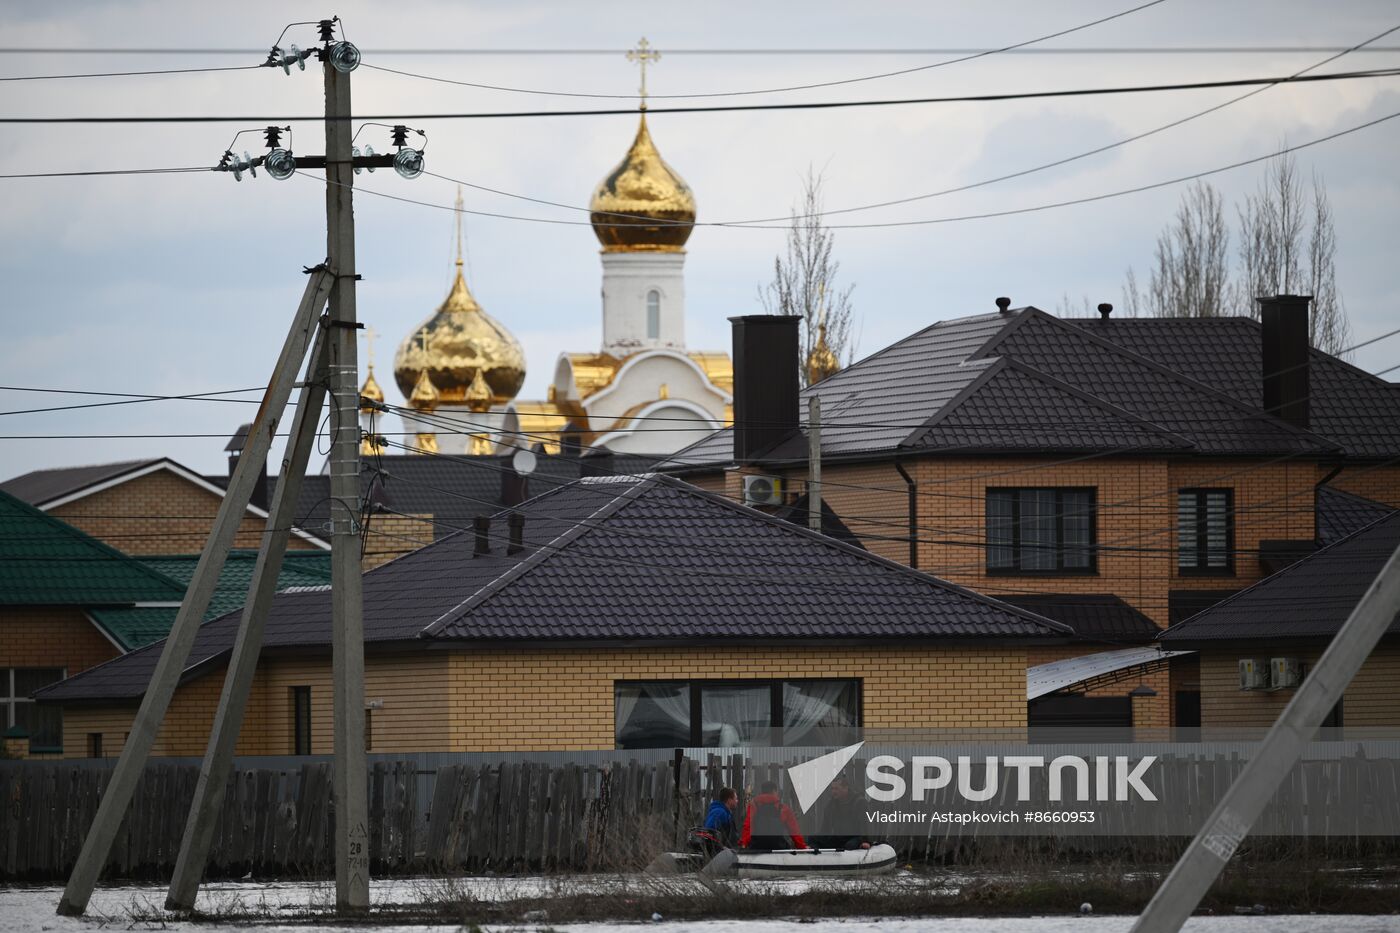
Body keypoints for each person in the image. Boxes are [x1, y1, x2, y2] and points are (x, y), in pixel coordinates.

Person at [808, 774, 871, 851]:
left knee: (849, 846)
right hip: (839, 837)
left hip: (855, 837)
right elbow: (825, 828)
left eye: (836, 789)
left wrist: (865, 841)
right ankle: (817, 857)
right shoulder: (831, 804)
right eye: (832, 789)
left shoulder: (859, 802)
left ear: (845, 788)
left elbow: (866, 824)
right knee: (812, 838)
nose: (833, 791)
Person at [740, 781, 807, 850]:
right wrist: (802, 847)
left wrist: (743, 844)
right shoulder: (783, 808)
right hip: (778, 848)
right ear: (774, 791)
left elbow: (747, 826)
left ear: (762, 791)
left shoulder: (754, 806)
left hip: (757, 847)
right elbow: (794, 832)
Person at [693, 786, 738, 853]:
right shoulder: (719, 812)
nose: (737, 801)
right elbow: (709, 832)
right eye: (736, 798)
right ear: (729, 800)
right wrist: (722, 848)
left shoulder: (726, 813)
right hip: (717, 855)